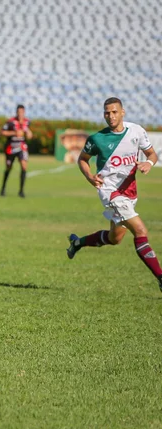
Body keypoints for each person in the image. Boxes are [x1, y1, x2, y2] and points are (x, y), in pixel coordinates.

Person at [67, 97, 162, 292]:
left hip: (130, 193)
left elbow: (152, 154)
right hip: (110, 192)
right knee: (141, 231)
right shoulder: (97, 139)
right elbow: (82, 160)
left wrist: (148, 163)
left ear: (122, 112)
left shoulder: (136, 131)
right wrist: (89, 177)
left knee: (114, 238)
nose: (110, 116)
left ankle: (78, 242)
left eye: (114, 112)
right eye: (106, 113)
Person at [0, 104, 32, 197]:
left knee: (24, 165)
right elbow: (2, 132)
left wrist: (29, 134)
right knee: (8, 167)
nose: (20, 114)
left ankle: (21, 191)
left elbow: (28, 132)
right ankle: (3, 188)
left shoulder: (27, 122)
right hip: (11, 147)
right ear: (16, 112)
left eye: (22, 112)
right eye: (19, 112)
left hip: (22, 146)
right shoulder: (10, 122)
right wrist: (14, 133)